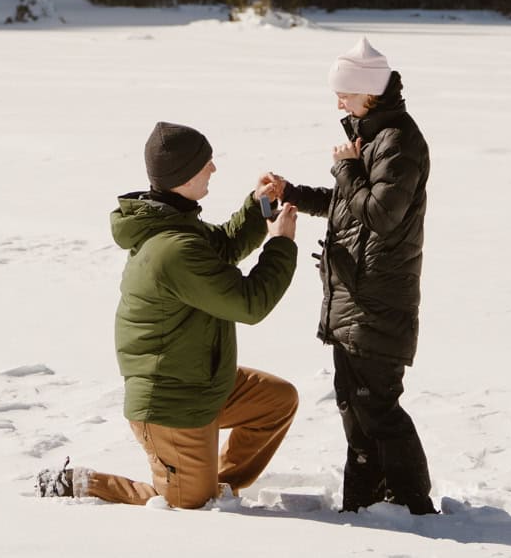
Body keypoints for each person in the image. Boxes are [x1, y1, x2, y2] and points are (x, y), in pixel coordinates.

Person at [37, 120, 301, 508]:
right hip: (170, 403)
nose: (214, 169)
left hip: (200, 381)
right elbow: (250, 303)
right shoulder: (174, 249)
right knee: (185, 504)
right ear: (184, 176)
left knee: (276, 401)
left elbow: (224, 245)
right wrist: (281, 243)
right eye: (206, 163)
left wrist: (257, 204)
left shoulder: (176, 222)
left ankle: (219, 489)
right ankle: (81, 482)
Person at [259, 37, 435, 514]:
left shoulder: (399, 143)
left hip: (377, 299)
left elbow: (380, 215)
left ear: (370, 93)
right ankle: (364, 504)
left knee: (377, 408)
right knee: (354, 407)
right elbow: (349, 204)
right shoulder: (371, 135)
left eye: (344, 92)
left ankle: (416, 509)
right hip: (352, 295)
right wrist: (292, 192)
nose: (337, 101)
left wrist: (345, 168)